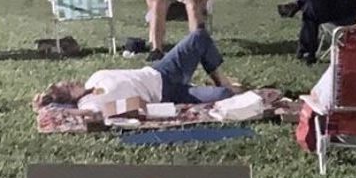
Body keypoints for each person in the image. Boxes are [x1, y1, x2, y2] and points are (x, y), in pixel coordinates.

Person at [33, 27, 236, 111]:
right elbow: (78, 116)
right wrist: (47, 105)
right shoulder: (91, 105)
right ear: (70, 100)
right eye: (69, 87)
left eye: (67, 81)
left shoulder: (94, 78)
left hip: (161, 71)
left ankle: (221, 79)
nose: (72, 82)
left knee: (199, 36)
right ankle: (215, 88)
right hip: (167, 95)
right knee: (225, 95)